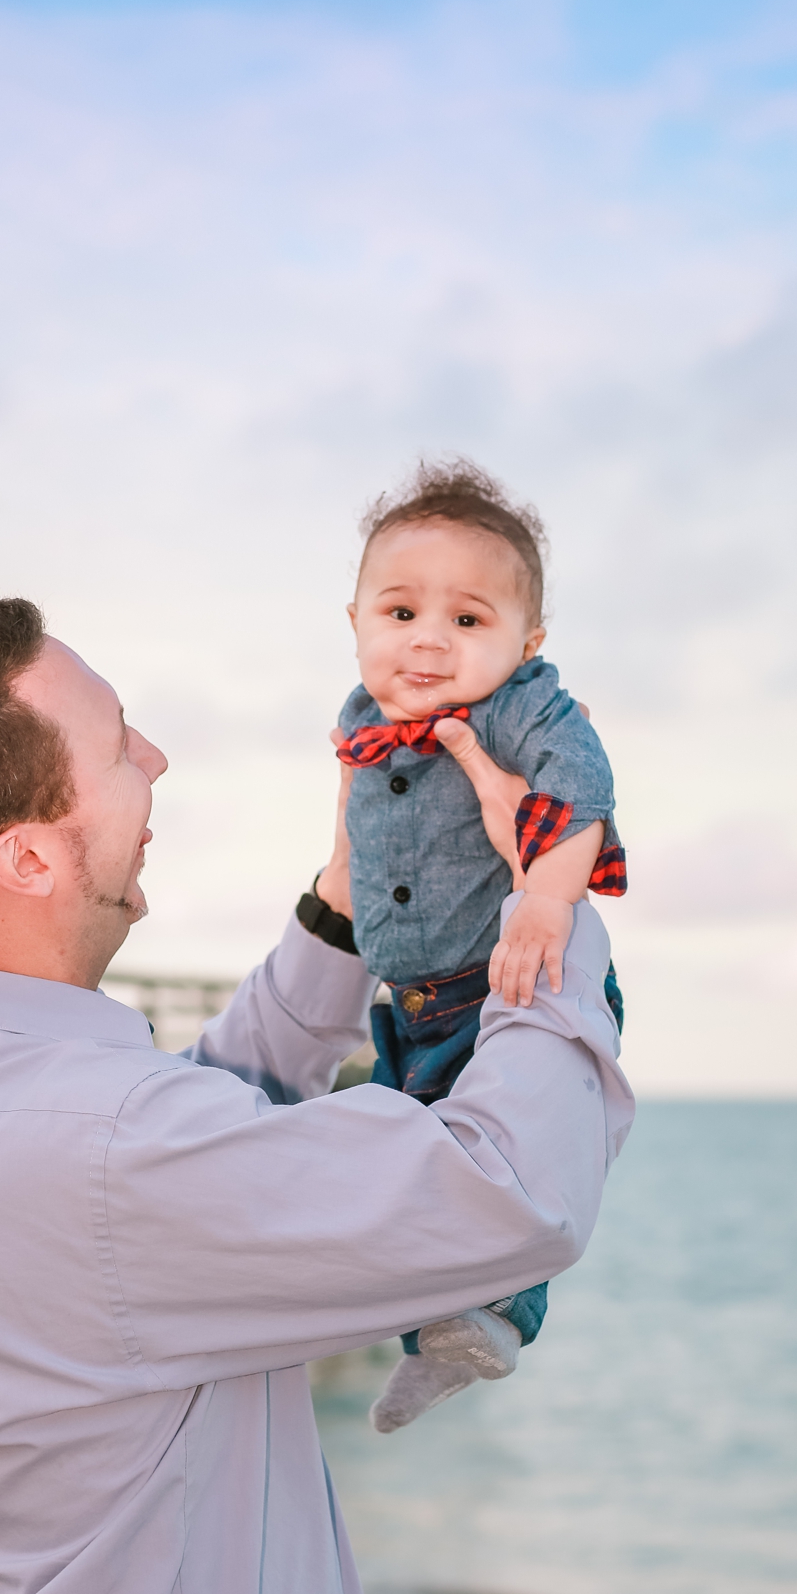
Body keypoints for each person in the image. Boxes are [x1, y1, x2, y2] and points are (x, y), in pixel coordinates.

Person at [0, 595, 633, 1594]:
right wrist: (546, 898)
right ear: (26, 856)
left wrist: (349, 892)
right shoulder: (97, 1148)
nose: (156, 757)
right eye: (117, 743)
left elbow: (199, 1127)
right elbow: (508, 1194)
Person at [334, 459, 628, 1432]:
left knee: (515, 1173)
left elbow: (581, 789)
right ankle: (434, 1345)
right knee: (403, 1174)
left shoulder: (521, 707)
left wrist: (547, 900)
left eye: (468, 621)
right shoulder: (359, 718)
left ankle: (499, 1317)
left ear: (526, 640)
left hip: (505, 981)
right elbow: (351, 833)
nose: (429, 642)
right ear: (357, 621)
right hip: (408, 998)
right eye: (401, 612)